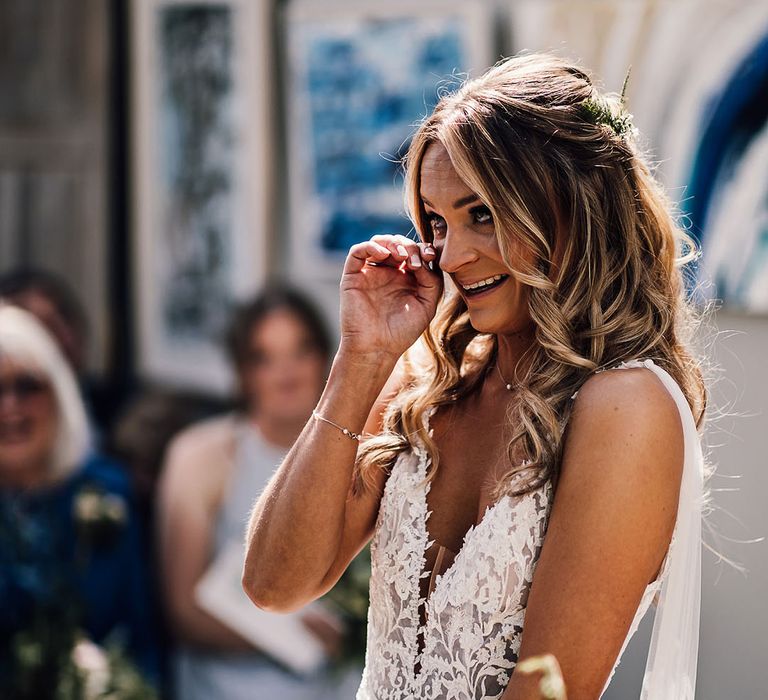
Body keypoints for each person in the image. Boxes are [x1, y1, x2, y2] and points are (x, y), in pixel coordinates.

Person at [242, 51, 711, 699]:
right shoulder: (431, 380)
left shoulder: (625, 407)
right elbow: (274, 583)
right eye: (437, 222)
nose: (452, 256)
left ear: (567, 206)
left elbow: (550, 690)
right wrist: (361, 360)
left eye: (482, 214)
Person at [156, 285, 349, 700]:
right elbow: (183, 612)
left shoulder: (363, 452)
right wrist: (288, 633)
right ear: (243, 372)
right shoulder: (199, 456)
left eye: (301, 351)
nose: (287, 372)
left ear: (324, 359)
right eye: (265, 358)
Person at [0, 304, 159, 690]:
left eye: (27, 385)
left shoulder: (106, 489)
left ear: (59, 391)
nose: (10, 407)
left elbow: (139, 630)